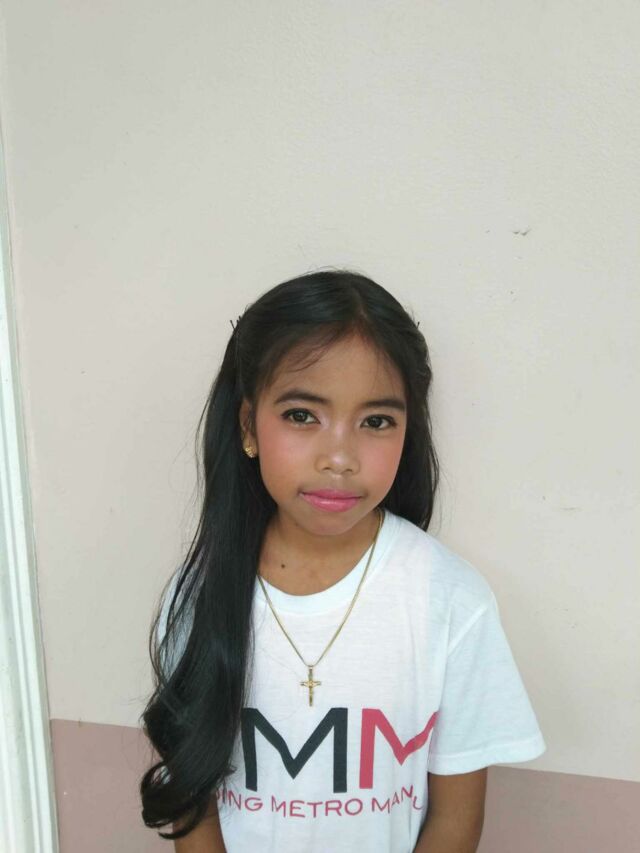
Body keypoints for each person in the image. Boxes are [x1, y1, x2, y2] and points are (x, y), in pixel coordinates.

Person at [139, 269, 546, 852]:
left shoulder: (450, 599)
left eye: (376, 422)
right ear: (249, 425)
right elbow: (194, 811)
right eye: (302, 415)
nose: (339, 457)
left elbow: (455, 820)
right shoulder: (198, 598)